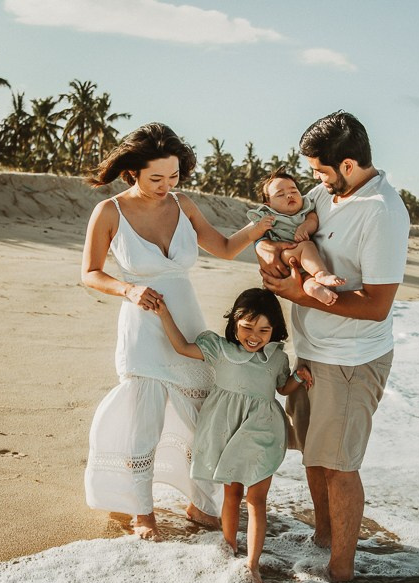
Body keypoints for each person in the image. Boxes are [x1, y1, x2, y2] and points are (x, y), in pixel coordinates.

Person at [81, 122, 274, 541]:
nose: (166, 186)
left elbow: (222, 248)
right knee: (143, 422)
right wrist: (128, 288)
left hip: (187, 320)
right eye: (156, 178)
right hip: (142, 326)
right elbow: (91, 273)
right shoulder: (110, 211)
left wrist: (259, 229)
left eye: (173, 177)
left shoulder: (183, 204)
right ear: (132, 171)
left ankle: (201, 505)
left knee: (204, 417)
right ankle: (142, 512)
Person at [257, 111, 410, 582]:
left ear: (347, 164)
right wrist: (276, 262)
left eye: (321, 170)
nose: (314, 181)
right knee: (315, 456)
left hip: (352, 360)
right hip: (312, 351)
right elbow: (286, 233)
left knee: (340, 467)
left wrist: (297, 294)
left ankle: (341, 572)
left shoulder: (382, 212)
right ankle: (322, 539)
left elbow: (377, 305)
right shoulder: (328, 194)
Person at [154, 288, 312, 583]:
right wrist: (164, 314)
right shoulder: (219, 349)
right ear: (235, 322)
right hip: (227, 429)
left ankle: (252, 564)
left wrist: (299, 378)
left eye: (264, 330)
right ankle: (227, 549)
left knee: (256, 499)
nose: (255, 335)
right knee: (232, 495)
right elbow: (182, 347)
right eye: (247, 327)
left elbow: (282, 389)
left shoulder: (276, 358)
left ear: (275, 330)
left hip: (263, 432)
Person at [247, 171, 345, 305]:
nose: (289, 195)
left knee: (308, 280)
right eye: (280, 194)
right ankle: (322, 273)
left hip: (305, 261)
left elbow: (313, 220)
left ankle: (316, 290)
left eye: (294, 191)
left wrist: (305, 227)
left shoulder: (306, 209)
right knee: (307, 245)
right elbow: (251, 236)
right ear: (268, 204)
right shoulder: (267, 216)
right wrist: (260, 229)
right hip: (284, 255)